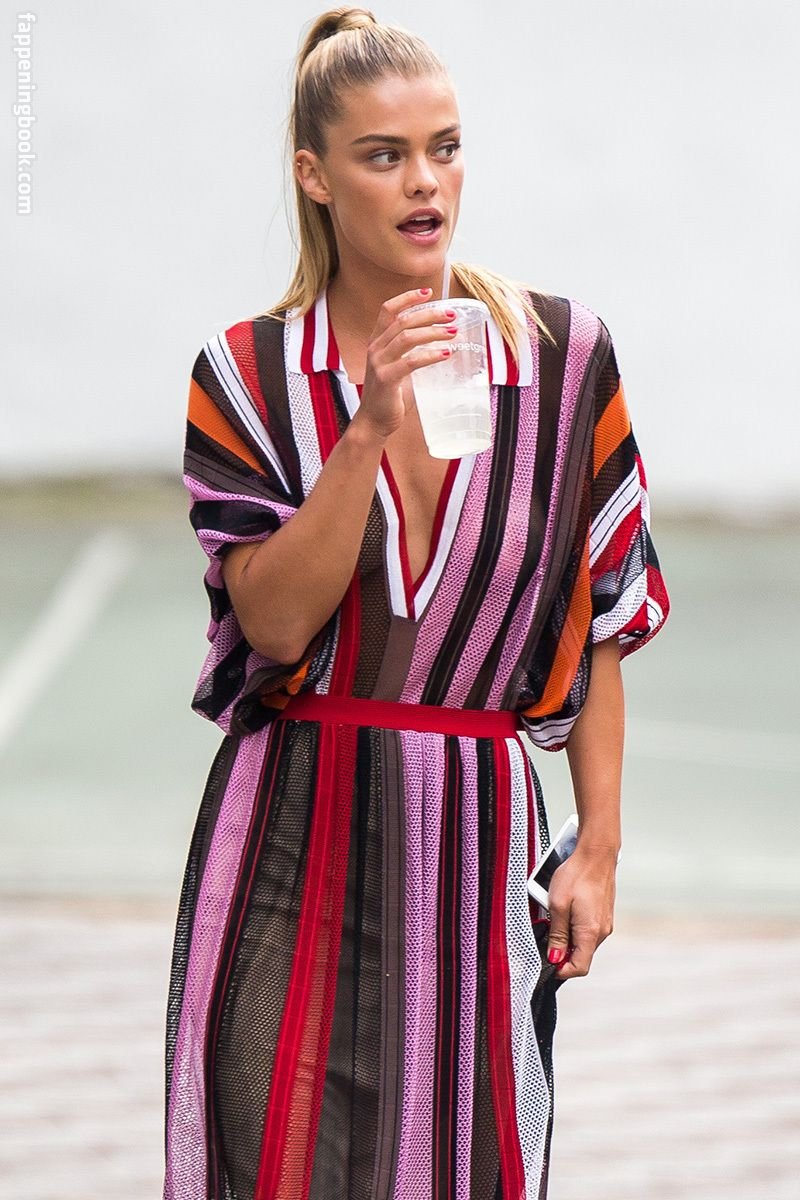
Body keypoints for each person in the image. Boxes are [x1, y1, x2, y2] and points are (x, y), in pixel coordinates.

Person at [163, 7, 670, 1199]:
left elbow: (601, 620)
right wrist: (364, 433)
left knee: (469, 1163)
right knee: (275, 1166)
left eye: (442, 148)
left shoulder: (561, 357)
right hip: (290, 845)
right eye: (382, 156)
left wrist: (596, 850)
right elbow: (272, 625)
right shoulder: (246, 374)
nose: (423, 182)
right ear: (315, 176)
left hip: (480, 844)